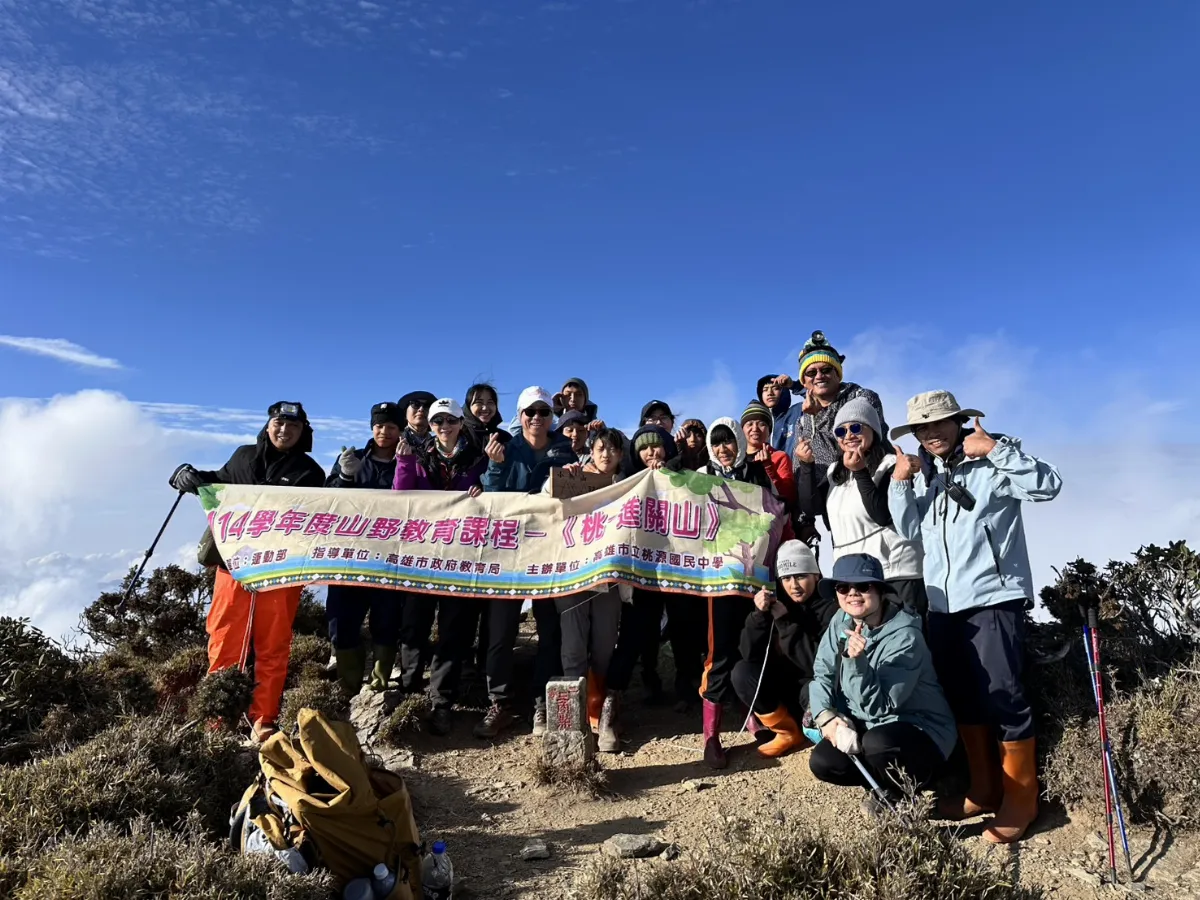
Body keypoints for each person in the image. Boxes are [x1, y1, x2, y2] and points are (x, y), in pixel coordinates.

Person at [889, 391, 1062, 843]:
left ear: (959, 421)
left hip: (992, 599)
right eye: (922, 428)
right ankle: (983, 788)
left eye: (940, 423)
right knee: (963, 696)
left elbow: (1049, 485)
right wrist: (901, 482)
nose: (932, 433)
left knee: (1004, 695)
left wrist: (998, 451)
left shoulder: (992, 462)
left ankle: (1022, 799)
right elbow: (907, 530)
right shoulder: (929, 475)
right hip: (943, 604)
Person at [168, 401, 326, 743]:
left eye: (293, 426)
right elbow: (219, 483)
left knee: (273, 645)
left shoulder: (310, 472)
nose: (284, 430)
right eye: (279, 423)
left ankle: (263, 719)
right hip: (233, 566)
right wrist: (185, 475)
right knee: (225, 639)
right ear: (268, 425)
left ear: (304, 432)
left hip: (281, 571)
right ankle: (217, 717)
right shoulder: (243, 457)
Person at [808, 554, 957, 812]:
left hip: (920, 727)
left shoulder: (906, 637)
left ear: (879, 590)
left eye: (863, 586)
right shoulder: (840, 622)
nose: (852, 594)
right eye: (843, 587)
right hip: (869, 726)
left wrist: (856, 662)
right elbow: (823, 673)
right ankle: (886, 790)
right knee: (823, 761)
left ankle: (926, 783)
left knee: (878, 744)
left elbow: (882, 706)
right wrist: (826, 717)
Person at [475, 386, 577, 739]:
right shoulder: (504, 450)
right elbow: (492, 501)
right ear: (520, 417)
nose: (536, 418)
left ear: (552, 417)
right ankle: (499, 702)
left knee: (550, 628)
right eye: (529, 412)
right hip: (508, 557)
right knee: (500, 631)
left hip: (549, 555)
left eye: (543, 412)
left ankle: (541, 700)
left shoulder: (565, 454)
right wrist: (495, 467)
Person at [392, 398, 487, 735]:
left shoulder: (477, 459)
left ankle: (441, 703)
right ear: (430, 427)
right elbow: (402, 499)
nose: (444, 427)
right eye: (437, 422)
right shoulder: (416, 458)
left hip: (459, 559)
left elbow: (487, 499)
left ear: (461, 423)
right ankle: (407, 693)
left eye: (450, 420)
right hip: (422, 556)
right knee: (413, 626)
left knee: (453, 631)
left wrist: (482, 490)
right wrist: (403, 464)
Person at [696, 416, 778, 768]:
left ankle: (751, 714)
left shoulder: (757, 475)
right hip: (718, 579)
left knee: (753, 645)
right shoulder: (700, 477)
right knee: (720, 652)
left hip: (754, 575)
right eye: (716, 442)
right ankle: (710, 736)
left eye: (728, 441)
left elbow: (773, 514)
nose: (723, 448)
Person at [795, 397, 926, 617]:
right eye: (841, 432)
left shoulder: (891, 464)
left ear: (873, 429)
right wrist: (807, 467)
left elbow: (883, 515)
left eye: (856, 427)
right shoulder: (835, 472)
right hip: (854, 578)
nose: (849, 435)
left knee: (904, 641)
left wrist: (860, 472)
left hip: (894, 574)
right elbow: (811, 507)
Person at [552, 427, 629, 752]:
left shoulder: (629, 486)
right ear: (591, 450)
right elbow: (547, 502)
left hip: (609, 578)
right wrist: (562, 480)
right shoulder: (574, 477)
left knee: (602, 644)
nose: (606, 454)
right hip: (572, 574)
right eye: (600, 448)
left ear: (621, 455)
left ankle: (599, 714)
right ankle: (571, 719)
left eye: (613, 449)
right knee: (572, 644)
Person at [325, 402, 406, 697]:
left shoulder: (408, 460)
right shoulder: (352, 458)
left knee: (386, 622)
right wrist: (346, 476)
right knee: (341, 621)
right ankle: (349, 685)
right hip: (350, 558)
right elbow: (327, 501)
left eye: (392, 427)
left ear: (401, 430)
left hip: (390, 557)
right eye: (379, 426)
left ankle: (379, 683)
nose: (384, 431)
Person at [731, 540, 836, 758]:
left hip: (812, 690)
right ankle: (787, 732)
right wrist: (758, 616)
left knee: (814, 688)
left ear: (816, 575)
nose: (794, 585)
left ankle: (817, 731)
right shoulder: (775, 603)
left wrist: (786, 624)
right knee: (742, 672)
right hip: (780, 693)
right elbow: (748, 653)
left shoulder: (831, 609)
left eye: (801, 576)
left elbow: (818, 664)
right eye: (786, 578)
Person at [773, 331, 888, 473]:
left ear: (837, 374)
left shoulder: (863, 398)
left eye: (826, 370)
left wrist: (818, 416)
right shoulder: (802, 419)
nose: (819, 376)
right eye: (811, 373)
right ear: (804, 381)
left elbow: (846, 451)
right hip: (819, 493)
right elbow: (801, 466)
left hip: (863, 483)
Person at [741, 400, 796, 513]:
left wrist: (768, 467)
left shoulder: (780, 457)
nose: (755, 428)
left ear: (769, 431)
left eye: (762, 424)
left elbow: (788, 496)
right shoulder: (736, 459)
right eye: (749, 424)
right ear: (742, 430)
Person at [462, 382, 512, 448]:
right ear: (468, 406)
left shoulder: (505, 438)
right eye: (479, 402)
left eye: (490, 402)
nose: (485, 408)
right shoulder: (459, 434)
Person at [757, 375, 793, 450]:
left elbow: (818, 398)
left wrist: (794, 385)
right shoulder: (757, 425)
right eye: (765, 389)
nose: (770, 393)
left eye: (776, 388)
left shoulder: (797, 412)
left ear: (784, 391)